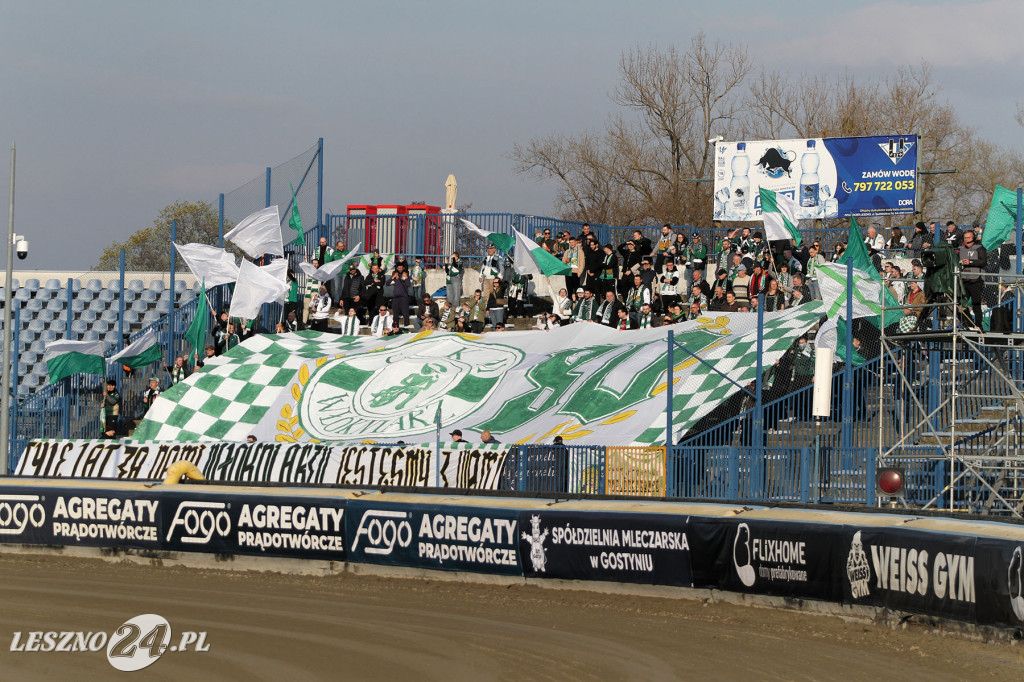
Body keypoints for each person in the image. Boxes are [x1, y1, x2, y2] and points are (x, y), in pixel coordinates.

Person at [959, 228, 987, 329]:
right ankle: (969, 323)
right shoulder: (961, 249)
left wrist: (970, 262)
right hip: (964, 280)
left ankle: (979, 325)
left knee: (976, 304)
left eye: (968, 237)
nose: (966, 240)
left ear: (973, 238)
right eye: (965, 238)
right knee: (961, 305)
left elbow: (984, 262)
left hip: (976, 280)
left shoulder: (979, 248)